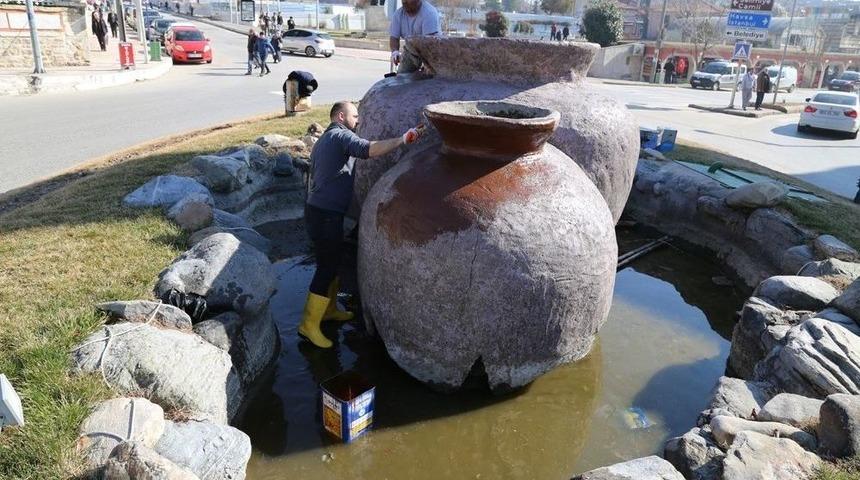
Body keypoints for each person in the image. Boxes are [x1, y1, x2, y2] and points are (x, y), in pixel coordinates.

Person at [299, 101, 424, 348]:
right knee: (325, 267)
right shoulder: (340, 136)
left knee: (332, 262)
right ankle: (308, 325)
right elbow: (370, 149)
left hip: (319, 211)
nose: (359, 121)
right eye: (355, 116)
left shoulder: (326, 139)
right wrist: (402, 139)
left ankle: (330, 310)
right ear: (341, 116)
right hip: (325, 214)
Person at [389, 0, 440, 73]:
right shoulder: (398, 15)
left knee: (429, 78)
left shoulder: (429, 13)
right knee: (402, 76)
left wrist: (427, 65)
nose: (404, 2)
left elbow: (430, 43)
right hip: (411, 50)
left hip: (432, 50)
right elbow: (394, 37)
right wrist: (395, 52)